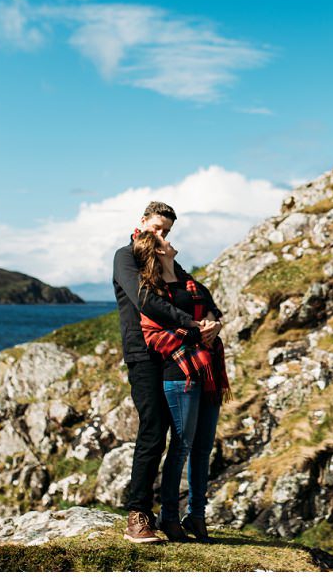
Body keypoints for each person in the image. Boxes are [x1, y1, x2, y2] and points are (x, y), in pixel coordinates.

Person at [111, 201, 217, 543]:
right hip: (142, 355)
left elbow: (195, 291)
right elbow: (145, 301)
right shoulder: (125, 256)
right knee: (153, 431)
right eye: (156, 227)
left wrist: (213, 317)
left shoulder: (166, 259)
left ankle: (166, 516)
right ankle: (137, 515)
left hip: (171, 356)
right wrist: (192, 325)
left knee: (180, 438)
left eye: (166, 231)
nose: (160, 235)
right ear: (142, 222)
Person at [133, 230, 228, 543]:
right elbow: (153, 335)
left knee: (202, 448)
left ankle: (197, 517)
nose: (168, 239)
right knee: (182, 446)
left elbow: (212, 311)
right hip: (179, 373)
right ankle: (169, 518)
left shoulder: (191, 284)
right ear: (158, 252)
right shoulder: (152, 292)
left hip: (208, 370)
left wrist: (212, 324)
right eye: (162, 239)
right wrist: (194, 335)